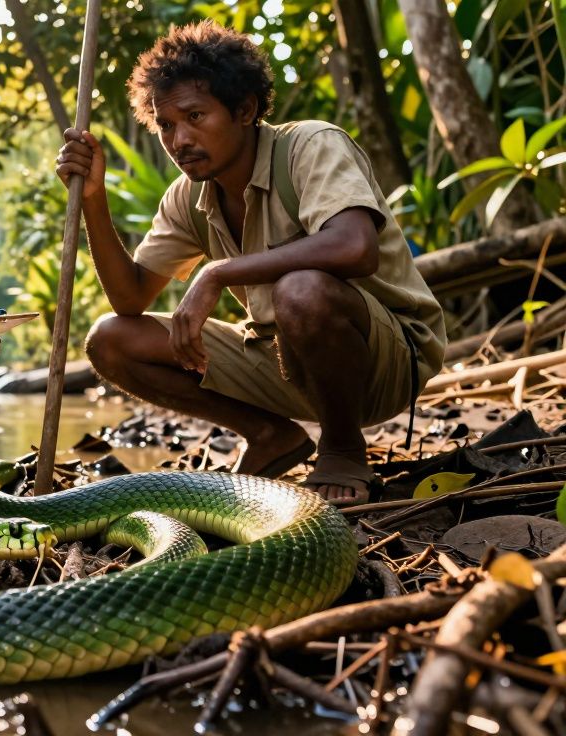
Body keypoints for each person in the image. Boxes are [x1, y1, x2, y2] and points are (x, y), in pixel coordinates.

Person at [54, 21, 445, 506]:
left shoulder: (309, 145)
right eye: (166, 125)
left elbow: (353, 247)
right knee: (111, 339)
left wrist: (217, 272)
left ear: (245, 110)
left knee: (300, 289)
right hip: (284, 357)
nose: (179, 140)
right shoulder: (189, 196)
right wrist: (94, 200)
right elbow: (130, 297)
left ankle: (342, 447)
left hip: (384, 361)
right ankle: (269, 435)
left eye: (195, 116)